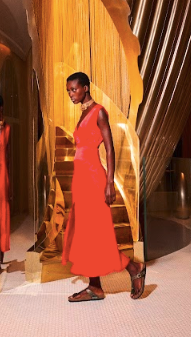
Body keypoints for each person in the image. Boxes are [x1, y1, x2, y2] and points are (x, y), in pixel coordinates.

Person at [62, 72, 146, 302]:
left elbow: (109, 148)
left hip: (93, 178)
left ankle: (134, 268)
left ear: (85, 88)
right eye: (68, 91)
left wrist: (109, 182)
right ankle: (95, 287)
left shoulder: (98, 111)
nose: (71, 94)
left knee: (98, 234)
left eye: (74, 89)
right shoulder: (83, 113)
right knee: (86, 234)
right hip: (81, 180)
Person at [0, 96, 11, 271]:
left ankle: (1, 254)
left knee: (3, 214)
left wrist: (1, 127)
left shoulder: (7, 128)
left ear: (2, 109)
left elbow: (5, 148)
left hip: (2, 174)